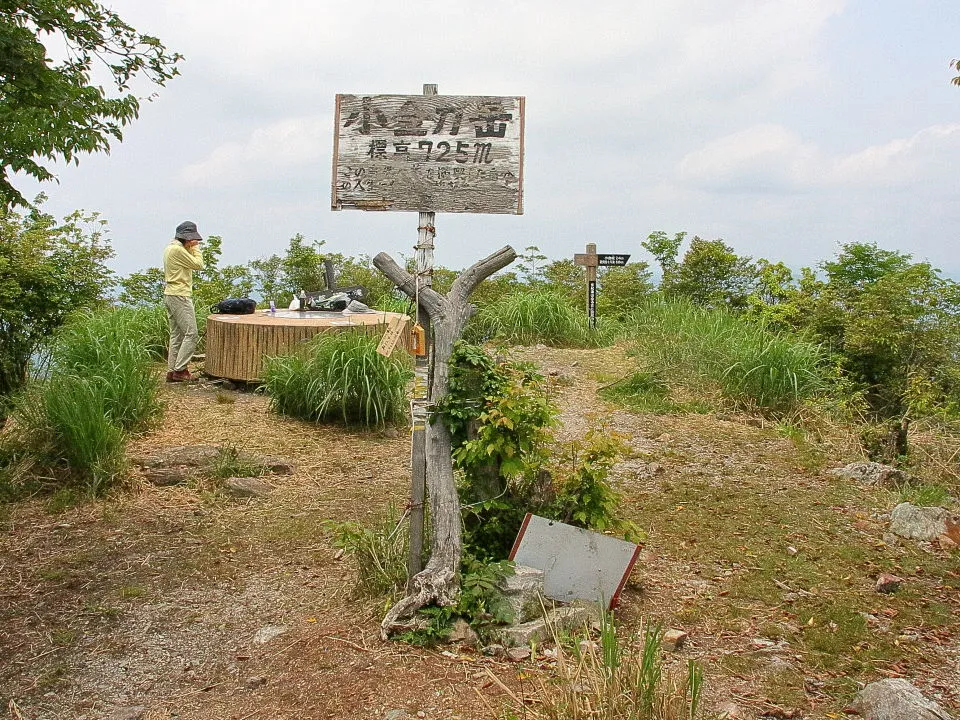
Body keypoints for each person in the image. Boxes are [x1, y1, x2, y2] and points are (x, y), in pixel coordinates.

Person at [163, 221, 206, 382]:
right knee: (191, 333)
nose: (193, 242)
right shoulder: (177, 250)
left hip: (170, 294)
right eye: (192, 240)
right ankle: (180, 370)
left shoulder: (169, 248)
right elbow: (198, 264)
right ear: (186, 238)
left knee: (177, 335)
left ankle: (172, 370)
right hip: (180, 295)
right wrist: (195, 249)